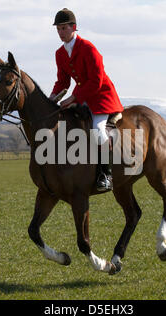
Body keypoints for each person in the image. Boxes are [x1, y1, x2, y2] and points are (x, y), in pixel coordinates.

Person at [49, 8, 124, 191]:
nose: (61, 32)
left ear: (74, 27)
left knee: (98, 132)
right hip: (82, 96)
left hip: (102, 98)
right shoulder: (60, 53)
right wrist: (51, 99)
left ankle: (106, 174)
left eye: (64, 28)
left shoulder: (89, 48)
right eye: (58, 29)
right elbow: (62, 82)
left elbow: (96, 81)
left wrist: (74, 97)